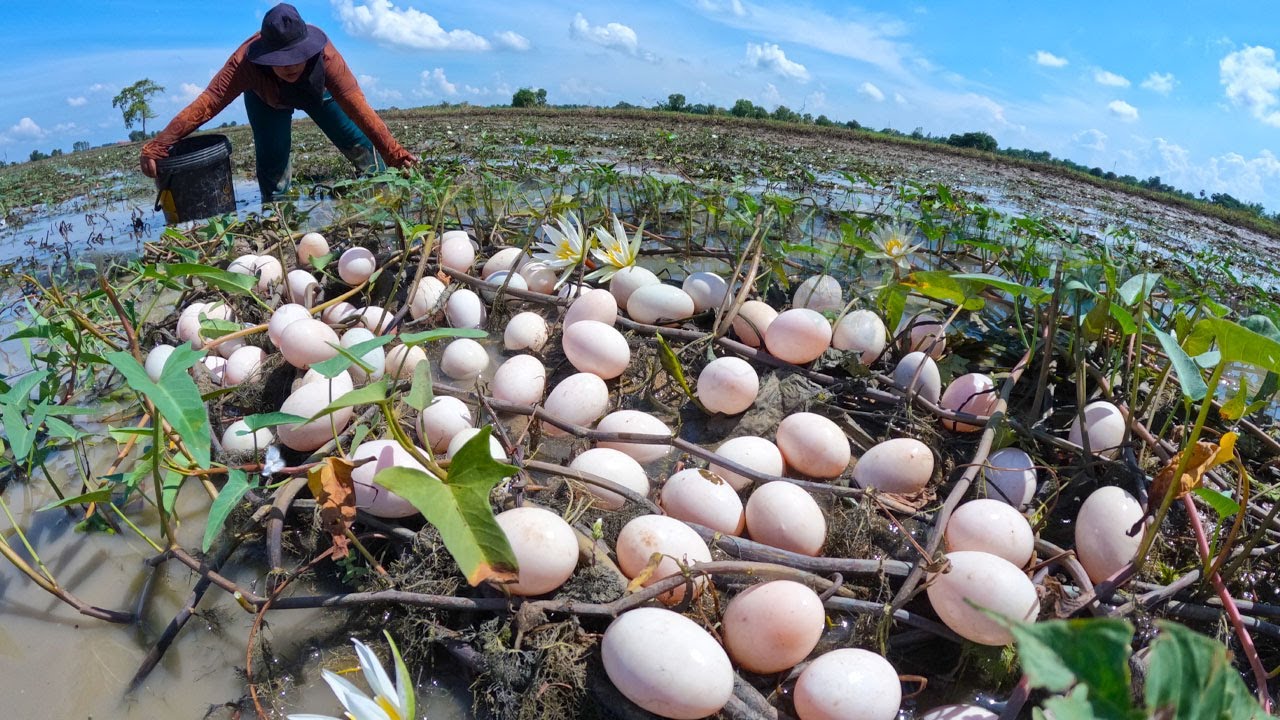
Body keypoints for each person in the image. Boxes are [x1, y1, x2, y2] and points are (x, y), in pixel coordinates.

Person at [140, 2, 416, 201]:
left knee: (359, 146)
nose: (290, 65)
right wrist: (160, 145)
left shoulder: (327, 59)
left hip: (318, 94)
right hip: (267, 101)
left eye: (297, 56)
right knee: (273, 167)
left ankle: (383, 192)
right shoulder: (243, 64)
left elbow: (357, 105)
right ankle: (278, 215)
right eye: (280, 61)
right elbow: (208, 103)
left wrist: (394, 152)